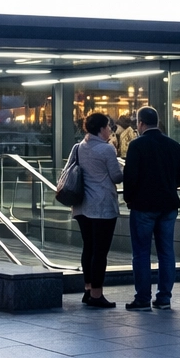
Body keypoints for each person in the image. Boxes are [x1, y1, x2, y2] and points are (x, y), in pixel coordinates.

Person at [122, 105, 180, 311]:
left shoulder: (137, 145)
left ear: (140, 123)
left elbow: (130, 177)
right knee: (166, 252)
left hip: (143, 206)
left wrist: (130, 199)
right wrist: (168, 186)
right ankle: (164, 298)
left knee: (141, 253)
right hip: (168, 205)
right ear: (157, 122)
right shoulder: (173, 145)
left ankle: (142, 299)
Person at [67, 112, 123, 308]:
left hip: (82, 206)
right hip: (101, 207)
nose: (110, 130)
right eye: (108, 126)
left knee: (88, 247)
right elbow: (116, 177)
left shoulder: (79, 146)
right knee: (100, 251)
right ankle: (97, 295)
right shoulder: (107, 149)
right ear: (101, 129)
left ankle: (88, 289)